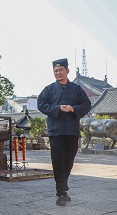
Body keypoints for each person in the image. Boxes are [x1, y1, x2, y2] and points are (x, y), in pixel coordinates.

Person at [37, 58, 91, 206]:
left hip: (72, 131)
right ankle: (61, 192)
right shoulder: (49, 89)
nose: (58, 73)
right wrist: (57, 109)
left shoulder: (77, 88)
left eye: (61, 70)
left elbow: (87, 104)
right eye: (55, 71)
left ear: (67, 71)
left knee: (69, 162)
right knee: (58, 162)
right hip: (56, 131)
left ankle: (63, 187)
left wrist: (74, 109)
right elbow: (41, 104)